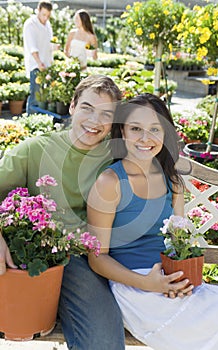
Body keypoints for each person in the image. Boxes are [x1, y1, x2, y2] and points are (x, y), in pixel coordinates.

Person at [87, 93, 218, 350]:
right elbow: (97, 258)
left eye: (155, 129)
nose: (146, 138)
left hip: (171, 282)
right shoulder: (109, 183)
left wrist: (183, 278)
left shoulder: (171, 180)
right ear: (122, 131)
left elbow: (178, 244)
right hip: (134, 288)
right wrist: (147, 283)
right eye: (135, 129)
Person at [0, 75, 125, 350]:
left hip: (96, 258)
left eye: (106, 114)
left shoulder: (117, 156)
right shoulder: (34, 151)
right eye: (87, 108)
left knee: (105, 340)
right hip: (51, 255)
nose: (95, 121)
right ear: (71, 106)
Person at [23, 0, 53, 115]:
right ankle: (31, 121)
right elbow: (32, 47)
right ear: (38, 10)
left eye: (48, 15)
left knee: (45, 96)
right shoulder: (30, 24)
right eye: (43, 14)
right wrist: (39, 63)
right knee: (35, 96)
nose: (45, 18)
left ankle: (41, 120)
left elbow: (48, 43)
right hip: (36, 65)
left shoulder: (48, 25)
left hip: (47, 65)